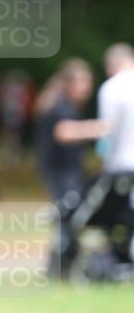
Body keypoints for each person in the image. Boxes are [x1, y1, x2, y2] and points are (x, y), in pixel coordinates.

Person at [50, 44, 134, 279]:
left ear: (111, 66)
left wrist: (103, 157)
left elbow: (108, 133)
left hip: (121, 169)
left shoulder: (112, 87)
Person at [33, 59, 95, 278]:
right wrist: (101, 127)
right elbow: (64, 132)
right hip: (60, 172)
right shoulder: (61, 106)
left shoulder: (66, 105)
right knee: (67, 213)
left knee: (68, 215)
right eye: (83, 82)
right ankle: (59, 265)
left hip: (64, 171)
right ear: (70, 83)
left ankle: (61, 264)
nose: (87, 88)